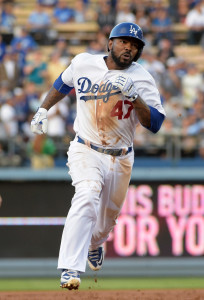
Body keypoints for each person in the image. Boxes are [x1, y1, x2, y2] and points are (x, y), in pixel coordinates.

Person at [31, 22, 166, 290]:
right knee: (87, 192)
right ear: (110, 43)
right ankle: (70, 268)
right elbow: (63, 82)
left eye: (135, 45)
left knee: (106, 224)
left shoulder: (142, 78)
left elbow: (156, 123)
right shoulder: (83, 62)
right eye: (124, 41)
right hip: (85, 147)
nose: (130, 47)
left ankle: (95, 243)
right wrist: (43, 108)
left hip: (120, 157)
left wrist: (135, 96)